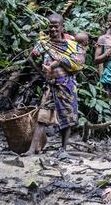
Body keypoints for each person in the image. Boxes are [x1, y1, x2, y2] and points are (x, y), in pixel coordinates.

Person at [27, 14, 85, 156]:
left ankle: (63, 149)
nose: (53, 28)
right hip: (50, 85)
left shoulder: (71, 42)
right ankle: (32, 149)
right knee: (42, 115)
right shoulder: (43, 43)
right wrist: (41, 74)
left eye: (56, 26)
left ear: (62, 27)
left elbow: (79, 62)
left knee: (66, 116)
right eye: (50, 26)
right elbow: (31, 57)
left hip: (66, 84)